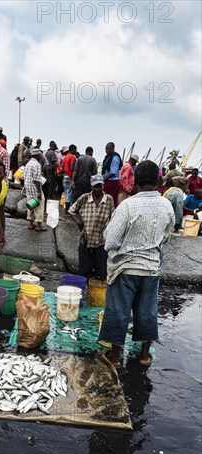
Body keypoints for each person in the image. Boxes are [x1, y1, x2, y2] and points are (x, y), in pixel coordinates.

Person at [98, 160, 175, 369]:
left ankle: (114, 357)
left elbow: (111, 240)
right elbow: (166, 237)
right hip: (151, 268)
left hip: (125, 269)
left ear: (135, 182)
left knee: (118, 310)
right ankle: (143, 355)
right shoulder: (166, 205)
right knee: (147, 310)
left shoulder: (128, 205)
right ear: (159, 182)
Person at [69, 175, 114, 280]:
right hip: (86, 240)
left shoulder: (109, 199)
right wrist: (79, 222)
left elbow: (113, 217)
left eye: (99, 186)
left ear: (103, 186)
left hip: (101, 242)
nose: (97, 189)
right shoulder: (85, 198)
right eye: (95, 186)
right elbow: (72, 210)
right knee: (84, 272)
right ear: (91, 187)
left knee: (101, 273)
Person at [23, 148, 47, 231]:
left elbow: (23, 176)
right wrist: (39, 192)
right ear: (38, 155)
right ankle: (39, 226)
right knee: (39, 205)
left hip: (28, 188)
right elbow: (37, 179)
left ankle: (30, 224)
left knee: (31, 205)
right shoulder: (37, 164)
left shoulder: (28, 164)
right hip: (34, 187)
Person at [102, 142, 123, 207]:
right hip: (109, 181)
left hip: (112, 181)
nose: (106, 151)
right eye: (106, 149)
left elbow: (113, 172)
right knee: (112, 200)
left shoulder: (115, 157)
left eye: (108, 149)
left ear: (113, 149)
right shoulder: (108, 157)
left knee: (108, 200)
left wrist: (103, 179)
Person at [62, 144, 77, 213]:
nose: (76, 151)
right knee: (69, 194)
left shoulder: (65, 157)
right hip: (69, 177)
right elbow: (72, 167)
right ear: (72, 149)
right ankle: (66, 211)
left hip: (64, 177)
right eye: (75, 149)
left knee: (66, 193)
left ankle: (66, 209)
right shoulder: (72, 157)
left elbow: (62, 168)